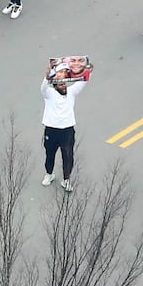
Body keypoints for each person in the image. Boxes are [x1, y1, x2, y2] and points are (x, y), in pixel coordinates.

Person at [41, 59, 92, 190]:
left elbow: (83, 81)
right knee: (50, 153)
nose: (63, 86)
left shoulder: (71, 92)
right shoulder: (49, 94)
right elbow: (43, 88)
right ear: (55, 85)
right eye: (60, 84)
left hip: (67, 130)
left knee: (68, 155)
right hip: (51, 129)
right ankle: (49, 174)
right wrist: (47, 77)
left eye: (64, 84)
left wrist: (88, 70)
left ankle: (66, 179)